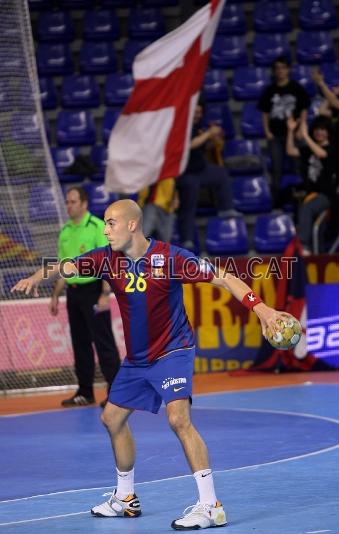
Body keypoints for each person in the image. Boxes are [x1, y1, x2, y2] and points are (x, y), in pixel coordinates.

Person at [12, 199, 287, 530]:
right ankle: (125, 498)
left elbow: (224, 278)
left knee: (178, 418)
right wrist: (35, 276)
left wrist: (263, 310)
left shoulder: (170, 258)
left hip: (173, 351)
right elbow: (64, 265)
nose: (105, 229)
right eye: (105, 223)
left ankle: (210, 505)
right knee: (111, 420)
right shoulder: (106, 259)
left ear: (132, 225)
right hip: (138, 360)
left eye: (111, 223)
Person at [50, 186, 120, 407]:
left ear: (84, 203)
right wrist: (56, 294)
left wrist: (104, 294)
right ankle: (85, 391)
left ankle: (117, 393)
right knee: (80, 343)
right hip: (74, 293)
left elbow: (109, 264)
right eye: (67, 202)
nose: (68, 206)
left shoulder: (98, 227)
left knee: (103, 342)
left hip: (94, 291)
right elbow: (64, 267)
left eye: (72, 202)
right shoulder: (65, 231)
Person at [176, 100, 236, 251]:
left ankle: (226, 209)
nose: (197, 115)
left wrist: (214, 138)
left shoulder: (201, 127)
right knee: (188, 207)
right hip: (185, 174)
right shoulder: (180, 127)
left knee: (221, 174)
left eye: (199, 113)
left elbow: (207, 146)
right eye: (195, 113)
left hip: (202, 170)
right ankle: (187, 239)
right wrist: (209, 134)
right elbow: (189, 145)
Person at [258, 56, 310, 204]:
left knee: (301, 165)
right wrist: (267, 131)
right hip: (275, 135)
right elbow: (265, 112)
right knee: (276, 168)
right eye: (277, 68)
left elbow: (304, 109)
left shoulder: (296, 88)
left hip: (295, 134)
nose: (280, 71)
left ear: (288, 70)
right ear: (274, 71)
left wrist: (302, 128)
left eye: (283, 67)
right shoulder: (270, 90)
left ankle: (304, 196)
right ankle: (277, 201)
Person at [286, 116, 337, 255]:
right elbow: (290, 150)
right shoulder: (309, 149)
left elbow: (321, 154)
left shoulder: (333, 149)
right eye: (316, 129)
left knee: (307, 208)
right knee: (317, 228)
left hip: (326, 195)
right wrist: (291, 131)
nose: (319, 132)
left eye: (322, 129)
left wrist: (305, 136)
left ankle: (304, 245)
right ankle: (316, 253)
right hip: (311, 194)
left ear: (328, 132)